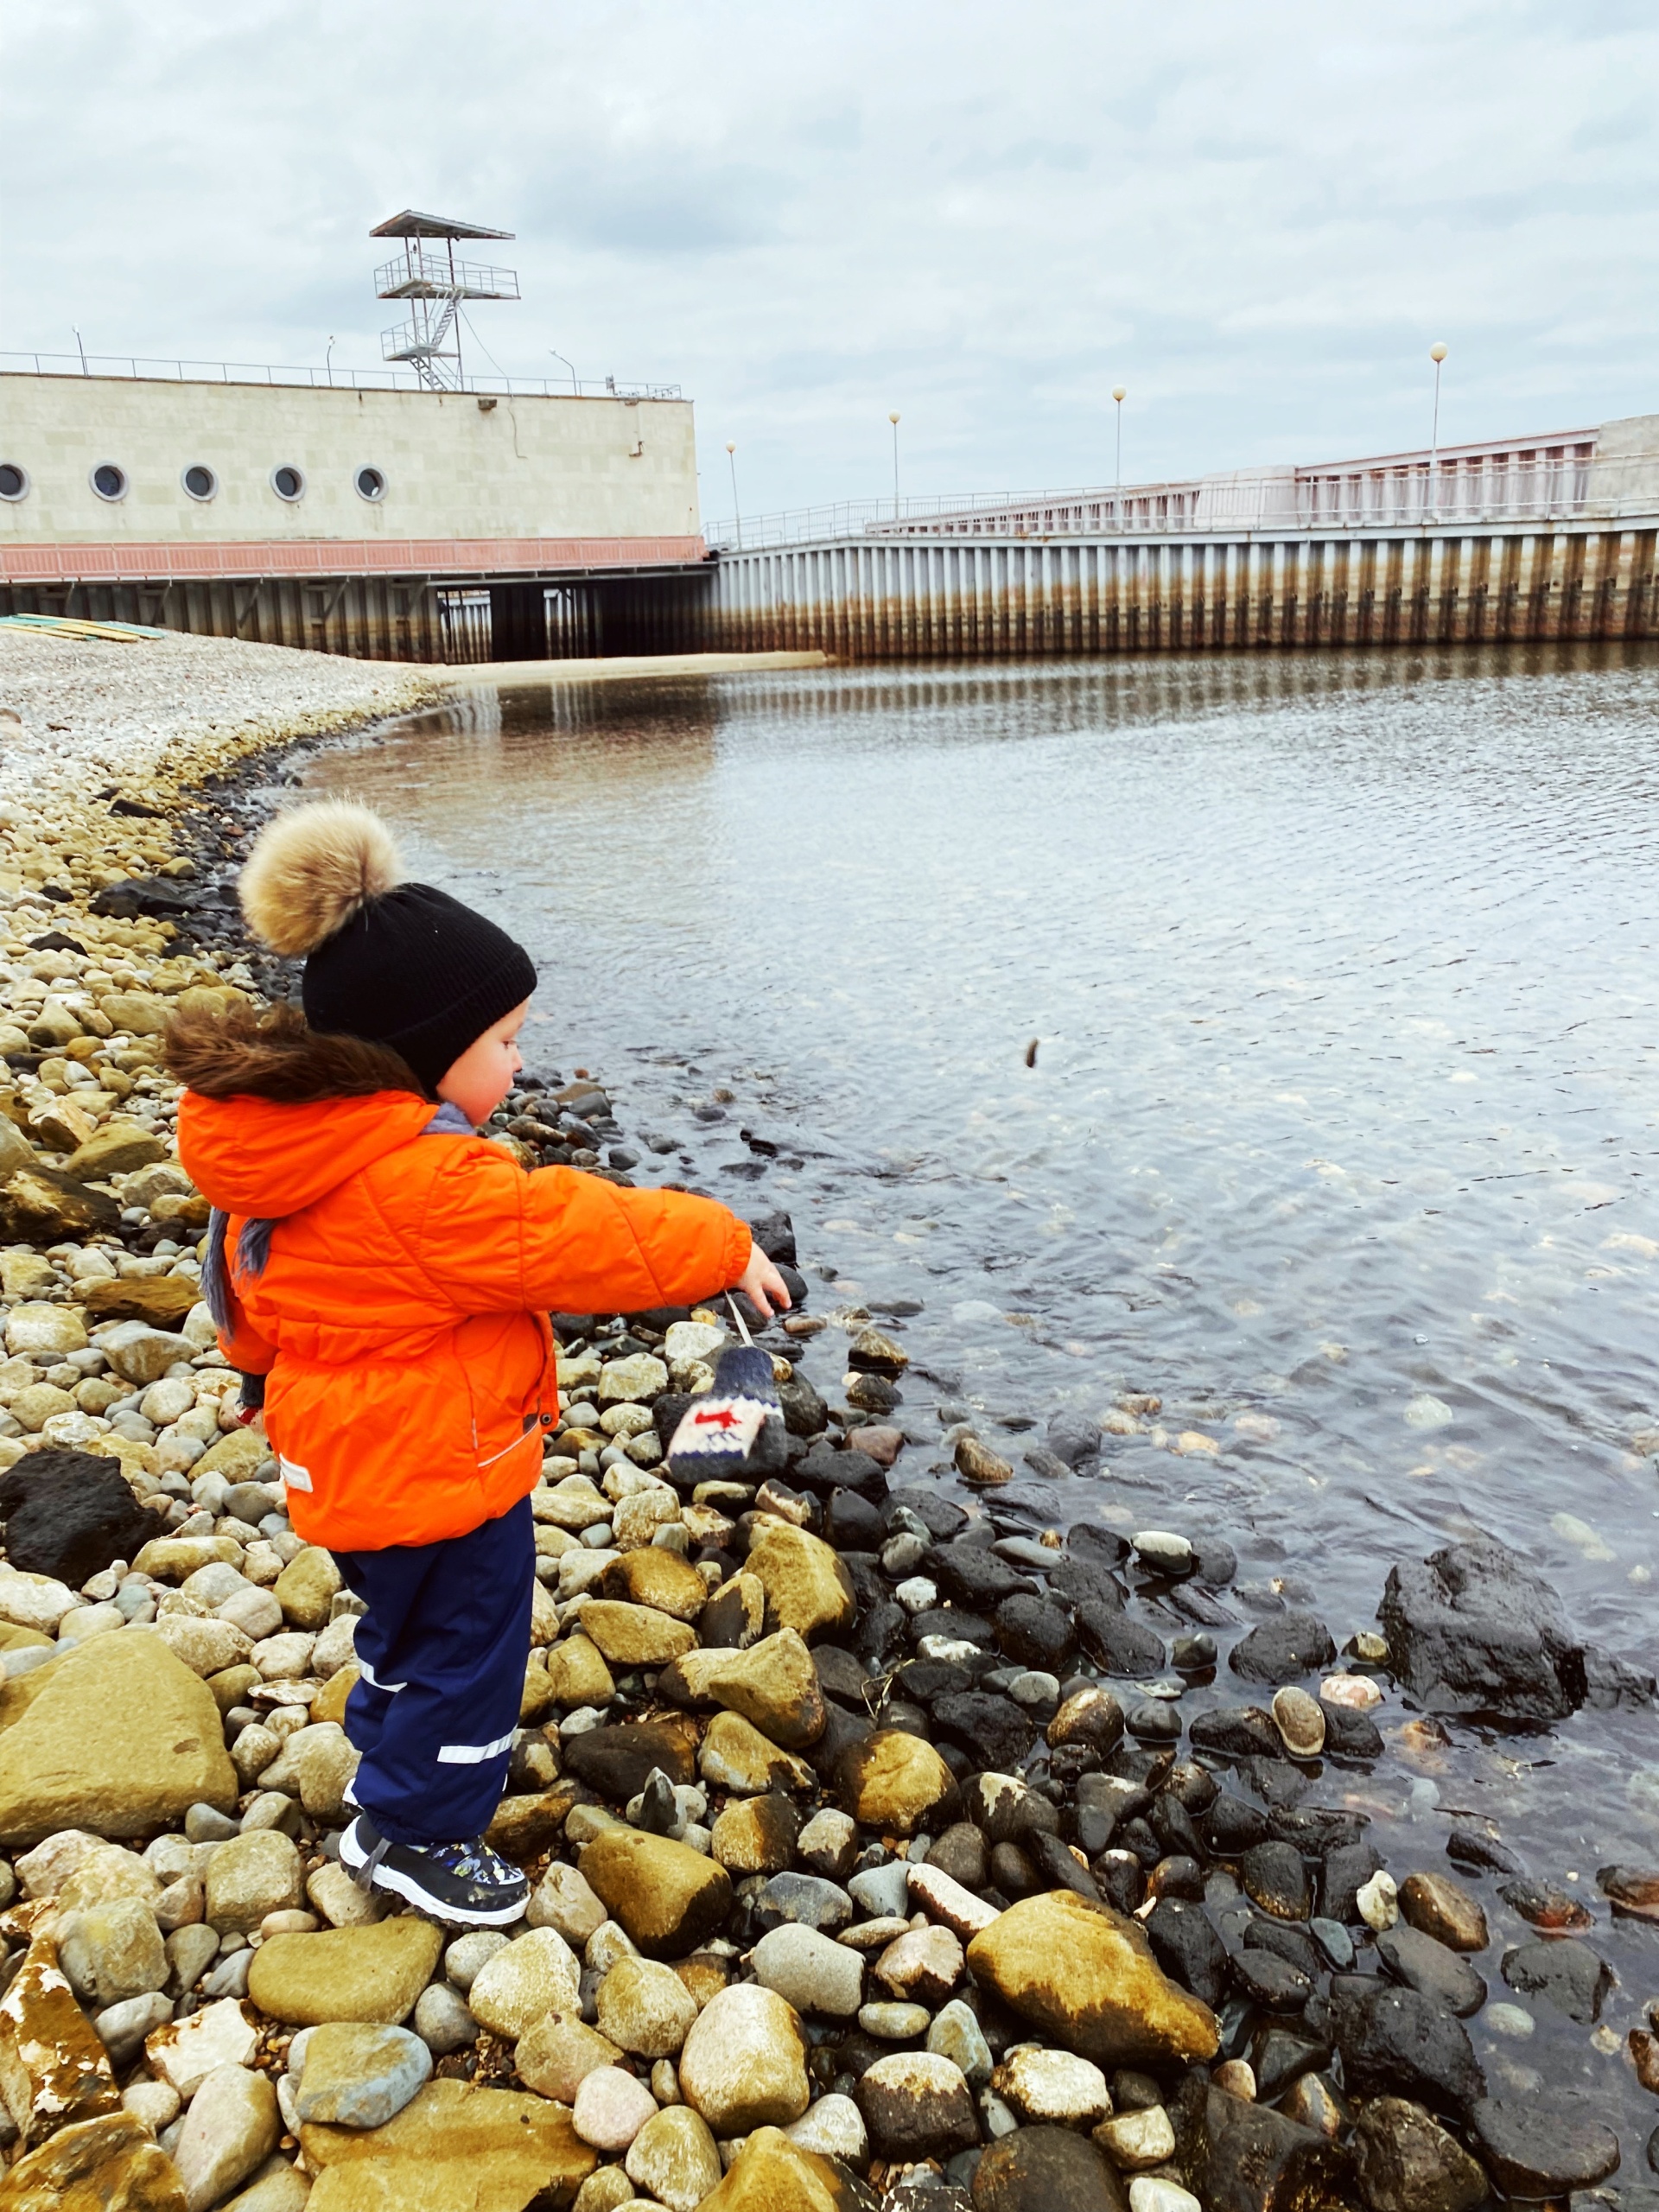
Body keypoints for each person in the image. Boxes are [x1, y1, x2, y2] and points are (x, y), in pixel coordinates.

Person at [168, 800, 788, 1923]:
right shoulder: (426, 1187)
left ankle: (382, 1774)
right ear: (419, 1056)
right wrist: (723, 1243)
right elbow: (582, 1234)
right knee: (472, 1648)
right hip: (436, 1473)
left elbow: (240, 1287)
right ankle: (416, 1835)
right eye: (504, 1041)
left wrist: (260, 1375)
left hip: (343, 1463)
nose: (521, 1057)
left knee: (400, 1630)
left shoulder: (289, 1158)